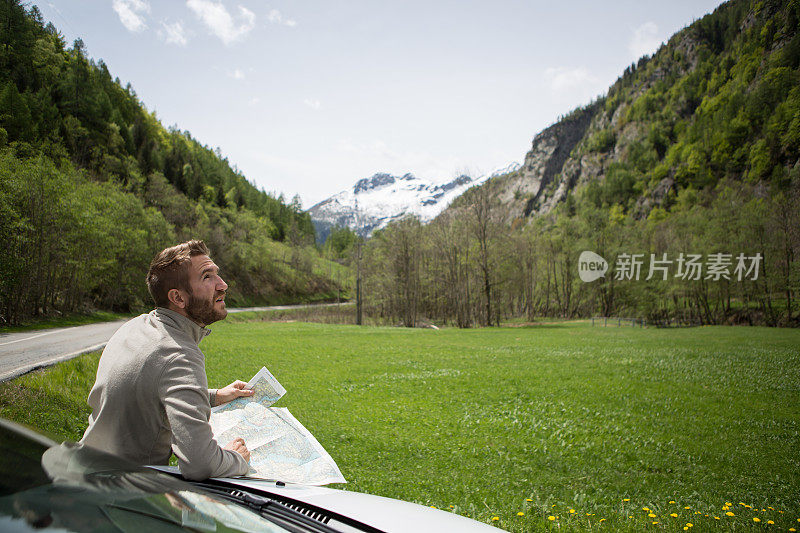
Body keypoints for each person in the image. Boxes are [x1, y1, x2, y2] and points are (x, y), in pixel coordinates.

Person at [80, 240, 254, 480]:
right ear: (178, 298)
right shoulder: (180, 354)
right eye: (207, 277)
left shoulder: (136, 327)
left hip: (84, 472)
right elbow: (200, 464)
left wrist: (213, 396)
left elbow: (146, 392)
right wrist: (237, 458)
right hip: (123, 496)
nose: (223, 285)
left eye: (217, 274)